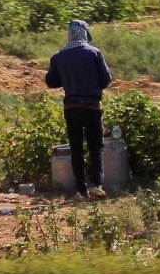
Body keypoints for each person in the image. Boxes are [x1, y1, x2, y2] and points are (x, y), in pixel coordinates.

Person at [46, 19, 112, 200]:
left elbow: (51, 82)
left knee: (76, 148)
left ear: (69, 34)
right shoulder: (94, 53)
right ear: (85, 33)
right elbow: (105, 81)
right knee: (95, 146)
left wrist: (68, 77)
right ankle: (96, 185)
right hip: (92, 106)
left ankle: (81, 191)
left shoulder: (59, 57)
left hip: (71, 107)